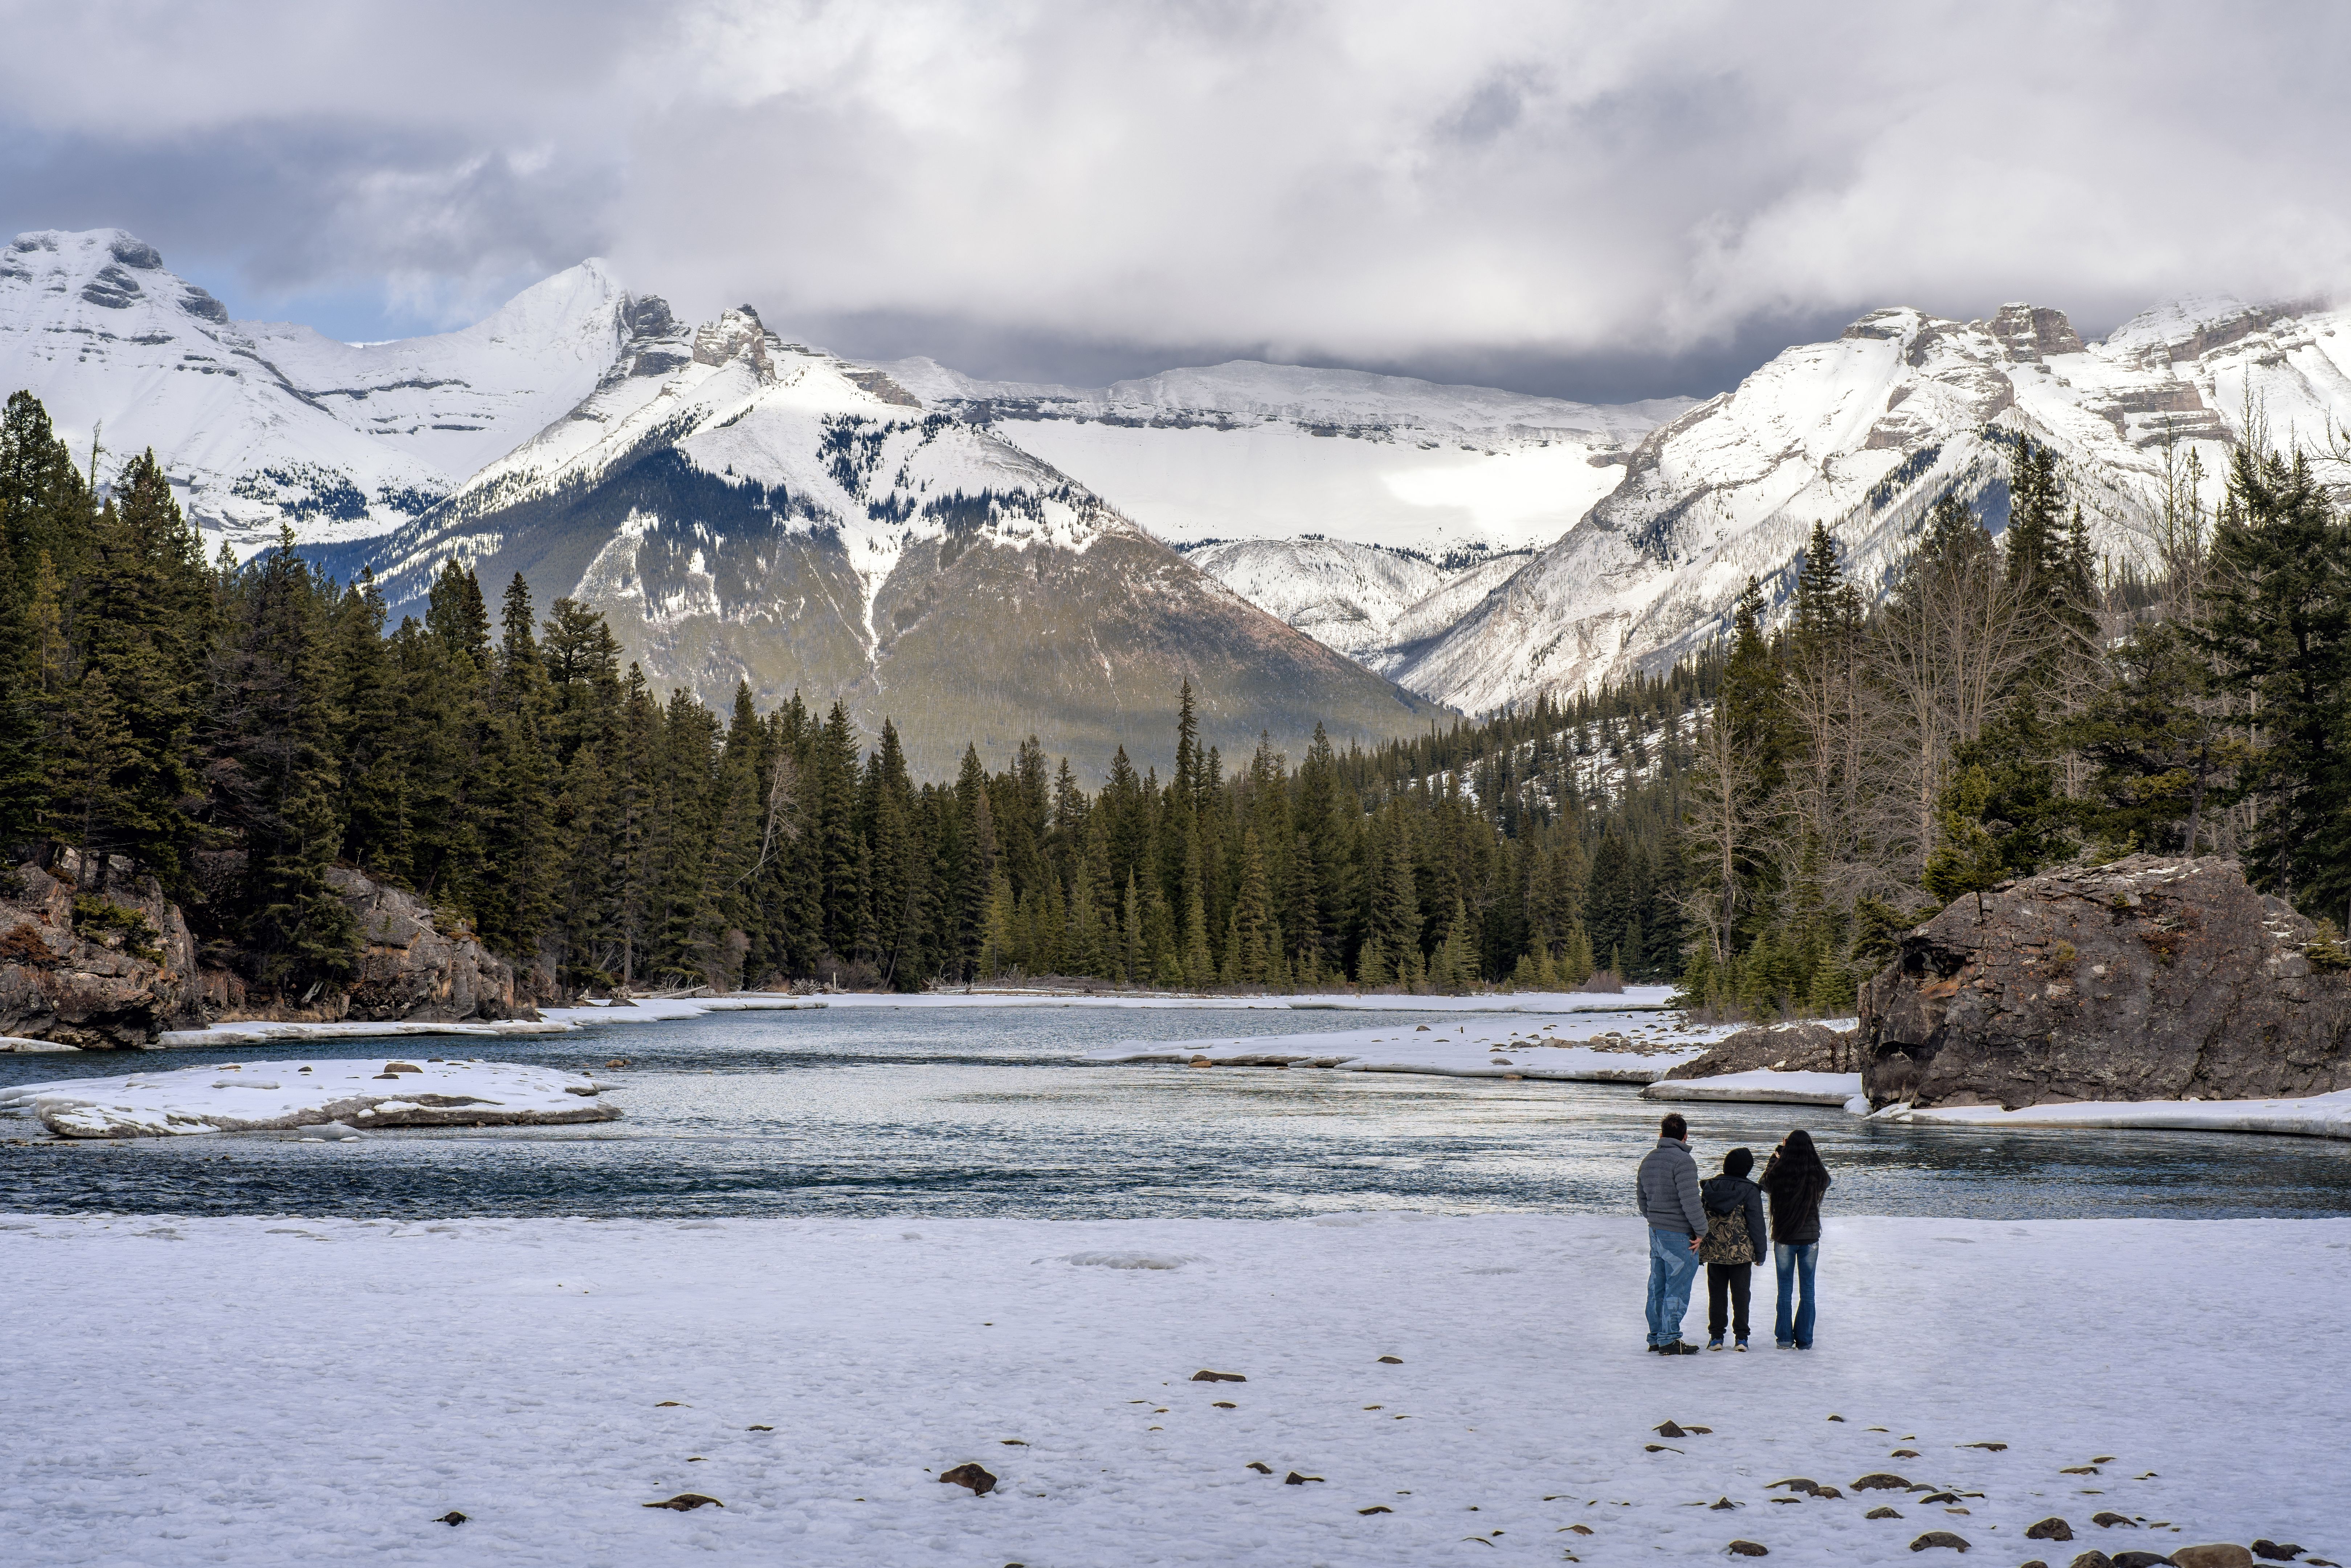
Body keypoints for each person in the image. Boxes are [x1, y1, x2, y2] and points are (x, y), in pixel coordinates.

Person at [1634, 1111, 1707, 1355]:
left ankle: (1656, 1337)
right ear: (1685, 1137)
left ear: (1661, 1135)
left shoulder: (1649, 1160)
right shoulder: (1683, 1162)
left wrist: (1654, 1219)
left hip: (1655, 1232)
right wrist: (1701, 1230)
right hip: (1678, 1235)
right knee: (1677, 1287)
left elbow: (1642, 1199)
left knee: (1657, 1285)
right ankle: (1669, 1339)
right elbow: (1690, 1201)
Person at [1759, 1128, 1833, 1349]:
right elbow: (1827, 1180)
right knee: (1808, 1289)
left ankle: (1784, 1338)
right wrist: (1811, 1157)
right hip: (1810, 1239)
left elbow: (1764, 1183)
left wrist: (1777, 1155)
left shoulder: (1780, 1174)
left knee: (1785, 1289)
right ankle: (1805, 1340)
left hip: (1785, 1237)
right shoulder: (1815, 1175)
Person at [1698, 1146, 1768, 1351]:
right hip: (1741, 1252)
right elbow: (1756, 1224)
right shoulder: (1750, 1190)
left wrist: (1699, 1247)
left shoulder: (1710, 1187)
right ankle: (1742, 1339)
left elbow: (1699, 1218)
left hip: (1714, 1251)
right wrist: (1761, 1252)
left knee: (1716, 1293)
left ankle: (1716, 1338)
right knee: (1741, 1294)